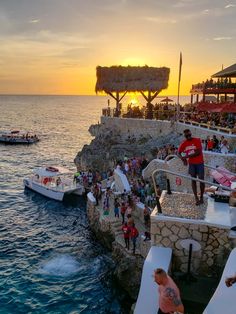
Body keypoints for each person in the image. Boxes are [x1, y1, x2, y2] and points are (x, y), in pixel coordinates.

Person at [178, 129, 205, 205]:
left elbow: (198, 152)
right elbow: (179, 152)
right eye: (187, 136)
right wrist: (183, 159)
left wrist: (186, 156)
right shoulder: (184, 143)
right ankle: (196, 198)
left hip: (200, 163)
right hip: (192, 164)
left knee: (201, 181)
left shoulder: (197, 140)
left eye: (189, 135)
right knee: (193, 180)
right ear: (185, 136)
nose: (189, 137)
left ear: (191, 134)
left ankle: (202, 197)